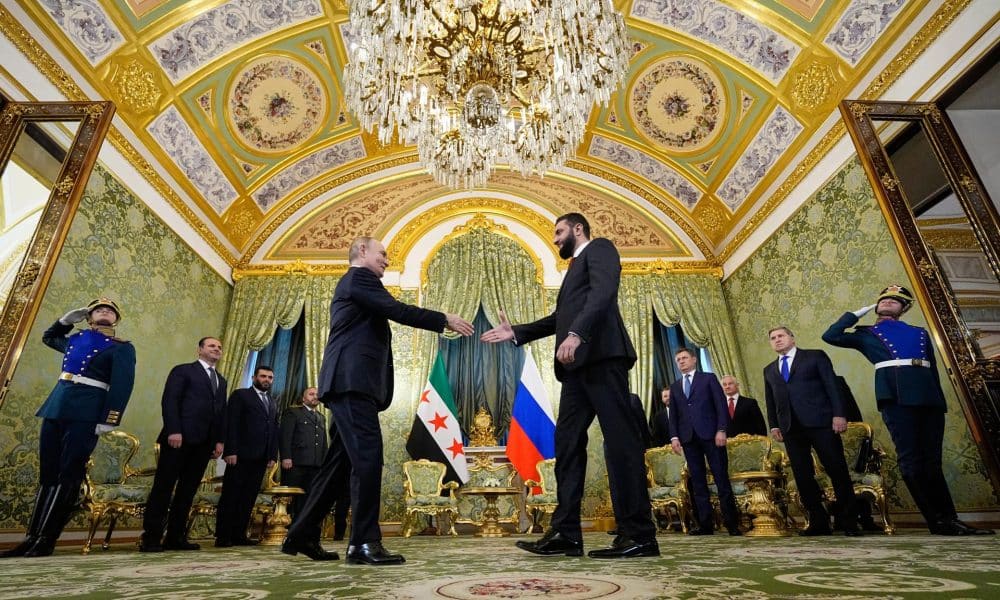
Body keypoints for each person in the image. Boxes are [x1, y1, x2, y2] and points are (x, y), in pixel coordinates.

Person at [281, 236, 474, 564]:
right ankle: (363, 544)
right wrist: (443, 318)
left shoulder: (359, 283)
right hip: (351, 384)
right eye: (382, 253)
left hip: (351, 384)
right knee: (368, 460)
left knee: (338, 465)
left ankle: (302, 533)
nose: (386, 259)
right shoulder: (359, 277)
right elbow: (396, 310)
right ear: (361, 252)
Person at [481, 213, 658, 559]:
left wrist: (577, 334)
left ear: (579, 229)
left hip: (604, 359)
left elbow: (605, 293)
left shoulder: (601, 249)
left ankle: (638, 535)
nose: (556, 238)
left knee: (621, 443)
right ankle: (566, 533)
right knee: (566, 446)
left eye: (560, 232)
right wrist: (517, 332)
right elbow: (559, 319)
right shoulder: (574, 272)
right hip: (576, 370)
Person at [822, 285, 994, 536]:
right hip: (896, 397)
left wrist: (938, 400)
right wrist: (857, 313)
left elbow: (932, 369)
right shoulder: (866, 333)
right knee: (911, 461)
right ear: (876, 306)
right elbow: (831, 335)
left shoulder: (920, 333)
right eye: (884, 299)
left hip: (927, 397)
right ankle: (935, 521)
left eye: (896, 300)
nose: (889, 301)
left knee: (932, 462)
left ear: (904, 308)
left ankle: (950, 518)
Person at [1, 299, 135, 558]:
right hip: (57, 406)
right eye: (98, 309)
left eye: (110, 310)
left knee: (69, 474)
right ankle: (31, 538)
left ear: (116, 319)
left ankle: (47, 539)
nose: (105, 312)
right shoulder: (75, 339)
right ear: (89, 317)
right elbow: (49, 338)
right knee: (48, 472)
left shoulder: (122, 348)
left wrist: (109, 418)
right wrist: (65, 320)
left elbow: (123, 384)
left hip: (87, 412)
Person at [764, 326, 861, 536]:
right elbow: (771, 401)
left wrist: (839, 414)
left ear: (792, 337)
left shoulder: (814, 357)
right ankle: (819, 521)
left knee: (836, 469)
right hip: (790, 428)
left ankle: (849, 521)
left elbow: (832, 386)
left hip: (821, 422)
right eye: (773, 338)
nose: (777, 340)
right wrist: (774, 425)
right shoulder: (769, 370)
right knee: (802, 475)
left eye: (781, 336)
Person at [140, 336, 227, 552]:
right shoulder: (183, 370)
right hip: (179, 439)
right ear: (199, 350)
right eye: (211, 345)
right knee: (164, 488)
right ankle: (151, 538)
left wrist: (218, 441)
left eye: (219, 347)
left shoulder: (221, 380)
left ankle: (176, 538)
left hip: (204, 444)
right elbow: (170, 400)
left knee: (187, 491)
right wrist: (174, 430)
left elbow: (220, 413)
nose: (216, 349)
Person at [668, 348, 741, 536]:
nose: (681, 362)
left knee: (721, 479)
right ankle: (705, 525)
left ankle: (732, 524)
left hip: (712, 436)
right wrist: (674, 437)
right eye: (678, 360)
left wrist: (722, 429)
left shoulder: (708, 378)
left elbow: (720, 405)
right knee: (698, 483)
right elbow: (674, 415)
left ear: (694, 360)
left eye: (684, 358)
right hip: (688, 438)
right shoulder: (675, 386)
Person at [215, 366, 279, 547]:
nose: (266, 379)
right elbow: (232, 423)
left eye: (270, 377)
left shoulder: (272, 402)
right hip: (240, 455)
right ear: (254, 377)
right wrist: (230, 451)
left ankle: (239, 534)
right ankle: (223, 536)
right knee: (231, 495)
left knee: (248, 498)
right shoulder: (241, 395)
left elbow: (274, 430)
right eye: (263, 376)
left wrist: (272, 455)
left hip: (261, 458)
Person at [280, 387, 346, 537]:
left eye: (317, 395)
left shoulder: (321, 417)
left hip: (315, 465)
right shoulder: (293, 412)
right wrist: (286, 457)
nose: (315, 397)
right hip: (295, 463)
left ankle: (302, 529)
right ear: (303, 398)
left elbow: (323, 443)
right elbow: (285, 436)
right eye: (311, 394)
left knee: (309, 498)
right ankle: (288, 529)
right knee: (293, 498)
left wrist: (324, 463)